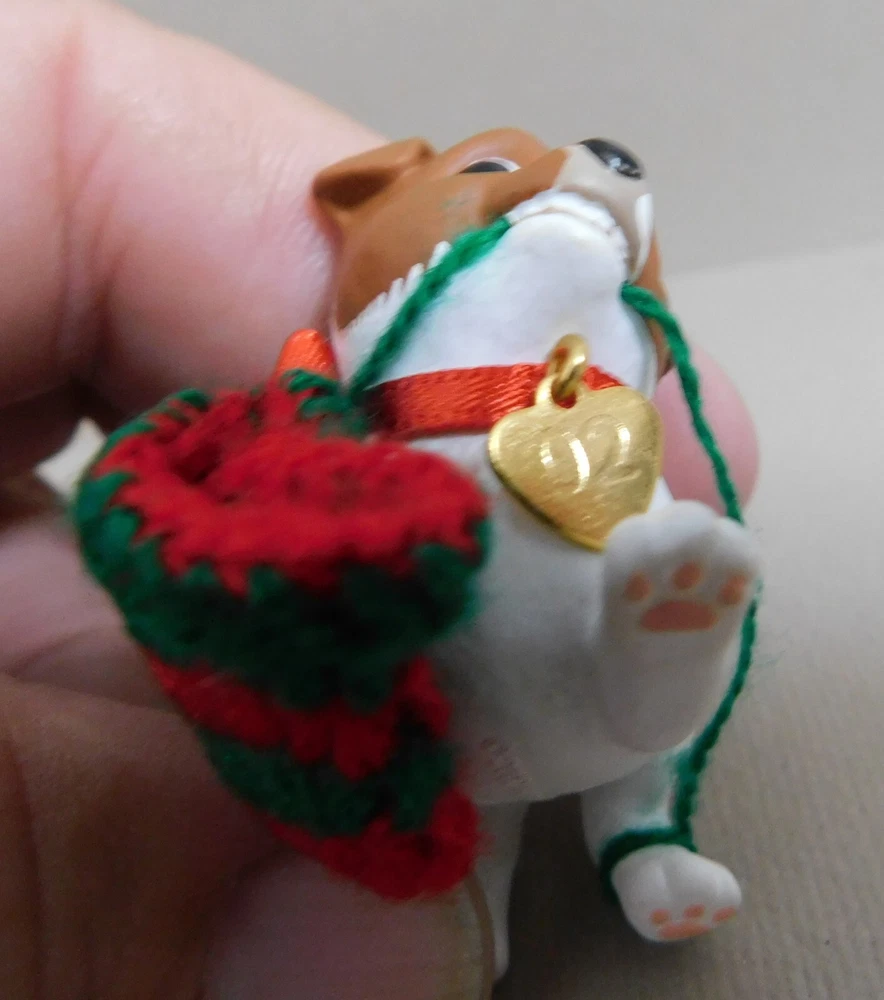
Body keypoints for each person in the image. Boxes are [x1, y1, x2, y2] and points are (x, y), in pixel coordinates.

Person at [0, 2, 759, 997]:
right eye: (495, 168)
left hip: (616, 595)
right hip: (461, 727)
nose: (577, 170)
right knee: (459, 779)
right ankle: (479, 903)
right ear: (367, 205)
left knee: (649, 712)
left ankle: (641, 829)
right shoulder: (346, 446)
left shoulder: (625, 429)